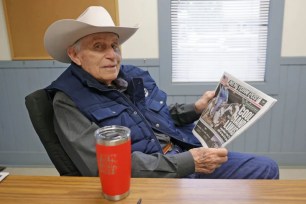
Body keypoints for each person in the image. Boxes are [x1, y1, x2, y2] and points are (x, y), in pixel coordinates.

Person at [44, 6, 279, 179]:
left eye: (114, 45)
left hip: (184, 152)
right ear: (74, 55)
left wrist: (195, 109)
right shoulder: (67, 100)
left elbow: (157, 117)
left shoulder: (131, 76)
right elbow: (105, 166)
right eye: (98, 47)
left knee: (267, 168)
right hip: (154, 178)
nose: (112, 55)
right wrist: (189, 162)